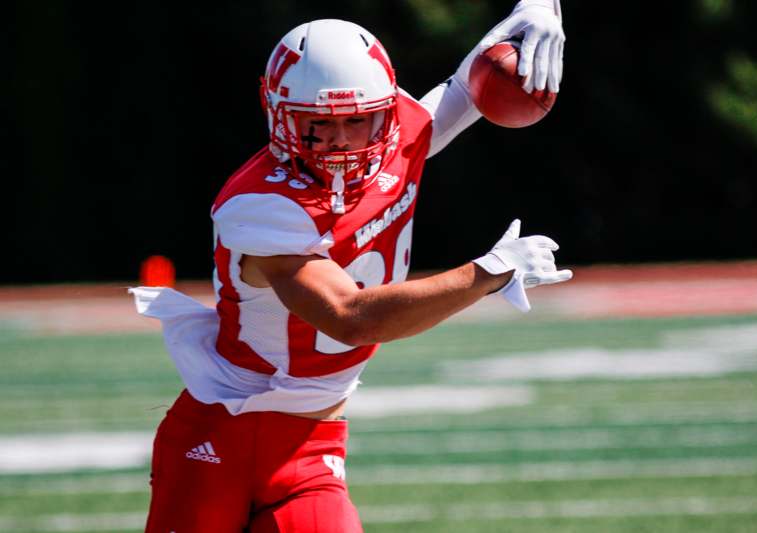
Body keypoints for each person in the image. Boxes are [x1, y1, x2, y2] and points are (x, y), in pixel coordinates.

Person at [131, 2, 569, 531]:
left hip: (315, 445)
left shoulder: (393, 139)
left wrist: (539, 7)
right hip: (218, 438)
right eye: (319, 123)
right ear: (279, 113)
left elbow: (464, 90)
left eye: (356, 120)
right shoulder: (260, 204)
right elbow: (350, 317)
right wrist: (487, 273)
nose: (340, 139)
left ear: (382, 113)